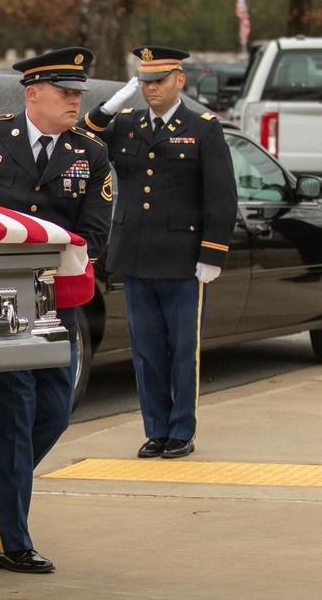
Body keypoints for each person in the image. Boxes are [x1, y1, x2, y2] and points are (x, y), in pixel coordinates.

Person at [0, 47, 112, 573]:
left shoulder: (90, 153)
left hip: (56, 304)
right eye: (65, 92)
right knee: (11, 417)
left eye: (78, 93)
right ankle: (9, 540)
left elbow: (97, 233)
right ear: (32, 93)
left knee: (53, 413)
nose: (75, 101)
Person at [79, 46, 237, 459]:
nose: (150, 89)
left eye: (159, 81)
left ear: (179, 81)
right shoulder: (127, 125)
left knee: (183, 351)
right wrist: (108, 108)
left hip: (183, 258)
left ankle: (181, 430)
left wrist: (212, 253)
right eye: (145, 82)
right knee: (146, 351)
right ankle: (156, 429)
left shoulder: (202, 128)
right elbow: (81, 139)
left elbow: (221, 196)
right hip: (135, 255)